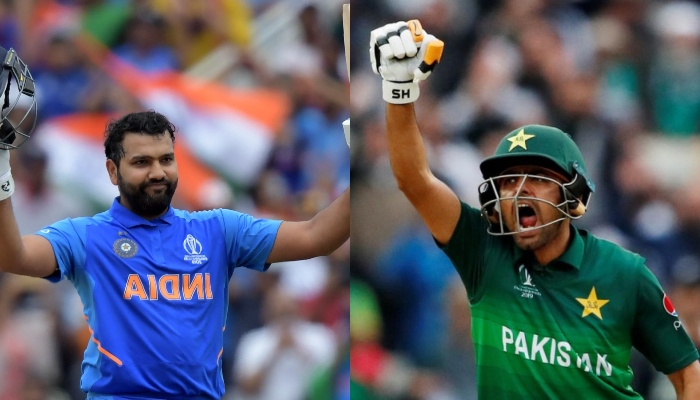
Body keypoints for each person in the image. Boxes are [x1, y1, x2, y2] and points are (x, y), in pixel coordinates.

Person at [369, 19, 700, 399]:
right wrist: (398, 90)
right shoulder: (484, 251)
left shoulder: (624, 272)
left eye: (537, 177)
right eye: (508, 181)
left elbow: (688, 375)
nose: (519, 190)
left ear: (572, 195)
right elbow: (415, 179)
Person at [0, 56, 349, 400]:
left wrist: (357, 167)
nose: (157, 172)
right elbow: (12, 256)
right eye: (141, 162)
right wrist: (2, 169)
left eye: (166, 159)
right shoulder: (85, 236)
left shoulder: (217, 229)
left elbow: (317, 236)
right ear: (112, 171)